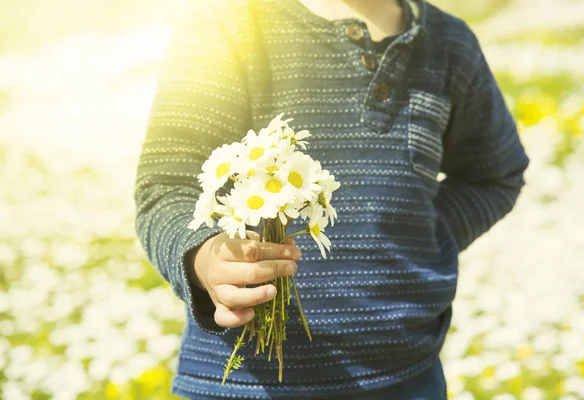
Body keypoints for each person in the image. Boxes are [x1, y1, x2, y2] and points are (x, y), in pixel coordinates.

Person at [133, 0, 530, 398]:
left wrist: (426, 238)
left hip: (406, 376)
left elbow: (495, 174)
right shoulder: (229, 25)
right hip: (242, 382)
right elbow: (166, 186)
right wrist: (205, 257)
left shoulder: (449, 44)